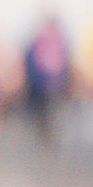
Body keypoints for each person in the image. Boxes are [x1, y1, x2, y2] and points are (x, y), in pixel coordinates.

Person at [22, 15, 71, 148]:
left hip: (40, 80)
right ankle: (51, 133)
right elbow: (65, 61)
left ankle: (45, 133)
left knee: (41, 110)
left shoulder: (39, 38)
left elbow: (29, 58)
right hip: (55, 81)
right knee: (52, 109)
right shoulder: (60, 40)